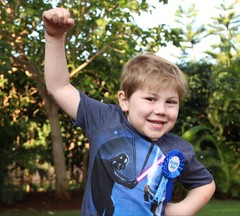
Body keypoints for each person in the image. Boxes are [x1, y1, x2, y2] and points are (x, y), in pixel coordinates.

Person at [42, 7, 215, 216]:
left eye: (171, 102)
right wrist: (54, 36)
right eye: (150, 99)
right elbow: (59, 87)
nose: (160, 110)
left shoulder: (179, 150)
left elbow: (205, 184)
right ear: (124, 100)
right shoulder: (103, 119)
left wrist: (179, 210)